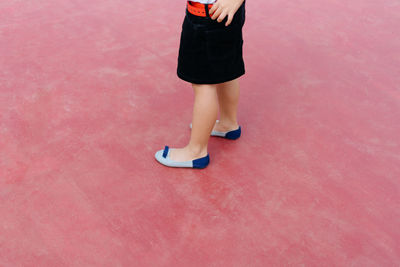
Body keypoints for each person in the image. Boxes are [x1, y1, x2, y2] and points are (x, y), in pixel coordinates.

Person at [155, 0, 246, 169]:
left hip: (207, 17)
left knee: (203, 84)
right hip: (222, 13)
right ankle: (228, 123)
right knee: (226, 70)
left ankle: (196, 151)